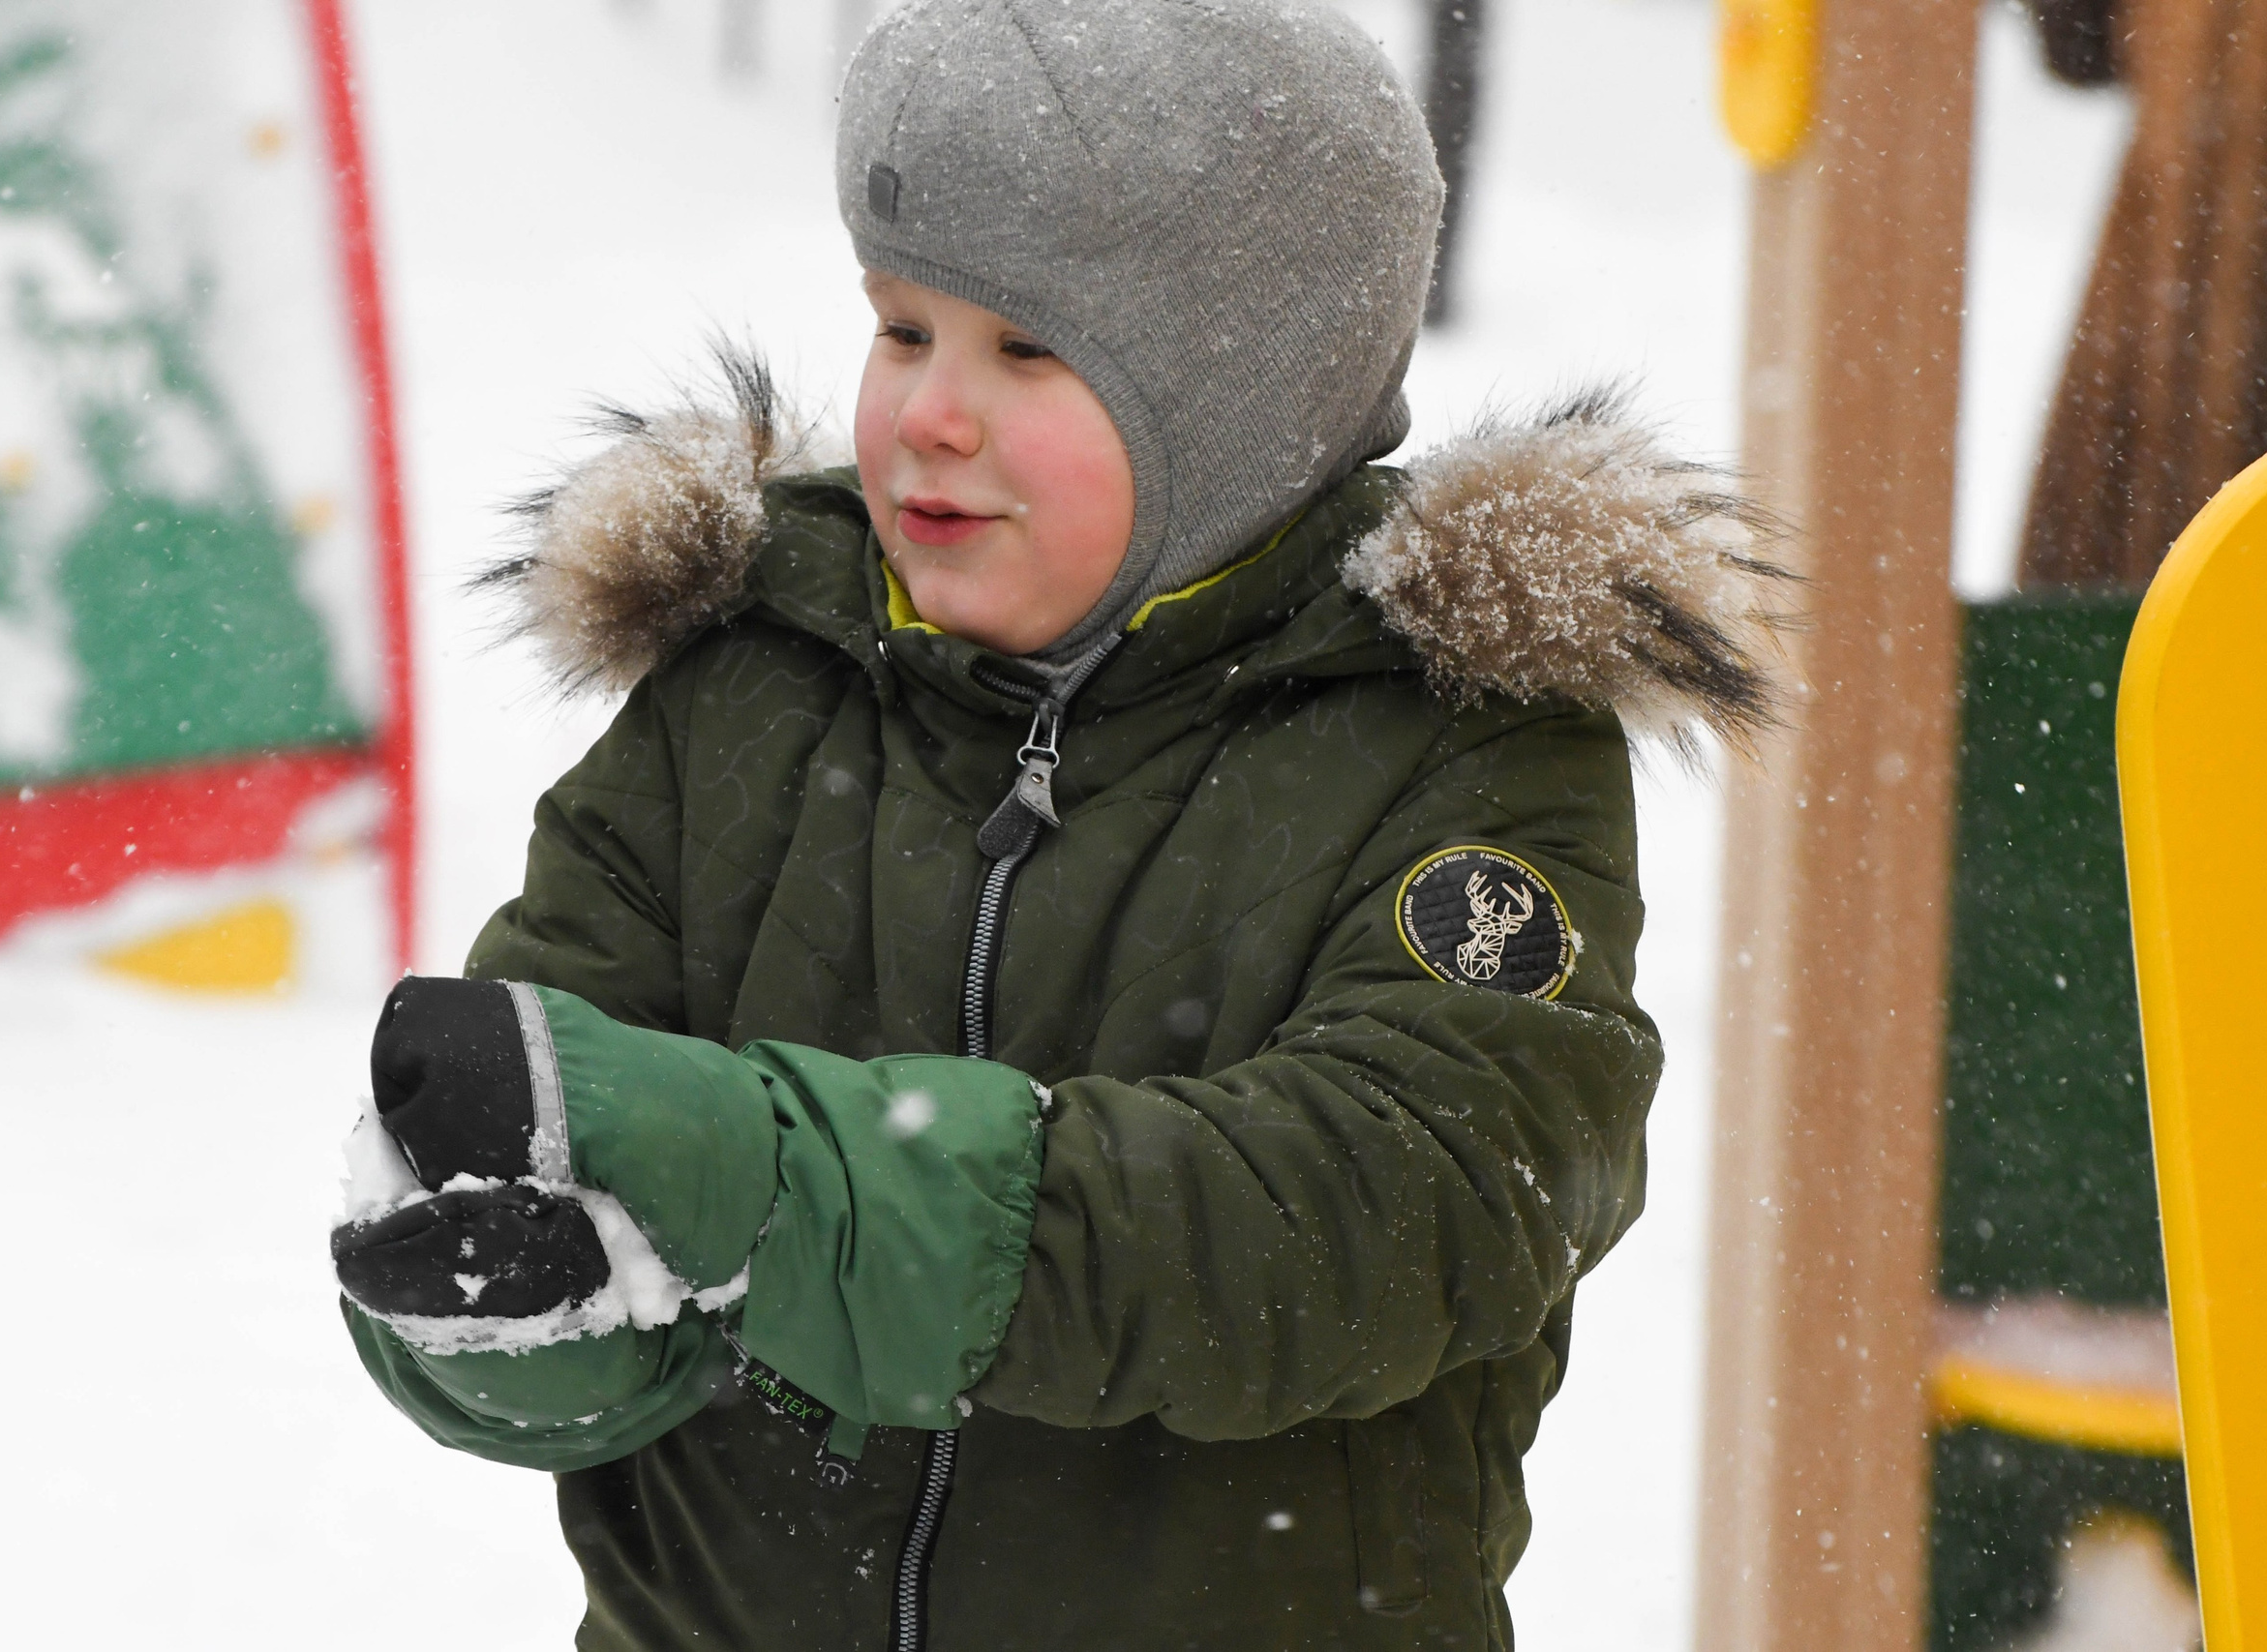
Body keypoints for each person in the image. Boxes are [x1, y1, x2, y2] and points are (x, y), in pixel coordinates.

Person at [328, 3, 1792, 1646]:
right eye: (901, 328)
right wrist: (524, 1301)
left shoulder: (1451, 742)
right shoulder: (747, 681)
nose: (931, 415)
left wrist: (788, 1193)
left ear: (1251, 394)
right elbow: (575, 1133)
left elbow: (1402, 1204)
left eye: (1027, 351)